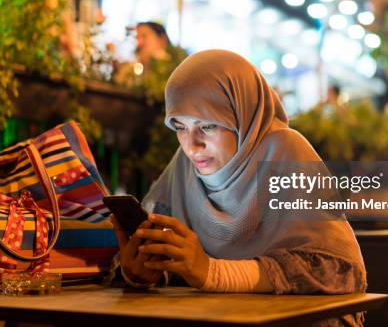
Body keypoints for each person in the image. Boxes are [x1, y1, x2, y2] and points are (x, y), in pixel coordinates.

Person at [110, 50, 366, 326]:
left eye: (207, 126)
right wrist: (143, 271)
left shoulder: (285, 152)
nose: (191, 145)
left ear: (243, 116)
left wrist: (213, 273)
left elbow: (339, 272)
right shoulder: (185, 165)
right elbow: (176, 263)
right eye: (180, 127)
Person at [113, 21, 186, 103]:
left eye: (144, 36)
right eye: (137, 38)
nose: (139, 43)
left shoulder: (174, 71)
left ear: (162, 40)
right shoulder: (135, 68)